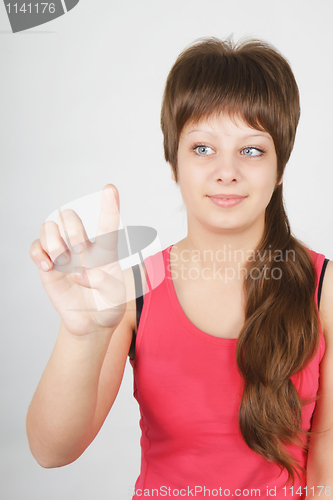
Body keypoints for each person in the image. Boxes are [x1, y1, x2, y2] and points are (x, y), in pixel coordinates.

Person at [27, 36, 333, 499]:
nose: (226, 171)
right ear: (173, 162)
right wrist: (81, 334)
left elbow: (326, 467)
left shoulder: (323, 288)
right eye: (203, 149)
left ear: (281, 164)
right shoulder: (131, 288)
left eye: (251, 150)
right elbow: (51, 451)